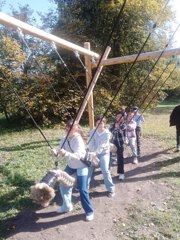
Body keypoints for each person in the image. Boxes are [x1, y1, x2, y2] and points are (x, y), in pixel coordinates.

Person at [51, 120, 94, 221]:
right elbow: (59, 154)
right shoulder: (64, 139)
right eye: (67, 128)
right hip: (71, 165)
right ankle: (67, 206)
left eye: (71, 128)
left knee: (82, 189)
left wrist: (65, 153)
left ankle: (89, 211)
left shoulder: (78, 140)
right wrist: (55, 152)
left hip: (81, 166)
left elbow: (78, 156)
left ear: (76, 129)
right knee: (62, 184)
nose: (68, 130)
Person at [87, 117, 115, 197]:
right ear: (96, 124)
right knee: (89, 169)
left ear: (104, 124)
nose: (99, 125)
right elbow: (91, 142)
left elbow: (103, 145)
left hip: (104, 153)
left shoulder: (107, 133)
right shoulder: (93, 131)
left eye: (101, 123)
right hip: (93, 153)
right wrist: (91, 151)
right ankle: (85, 188)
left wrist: (95, 153)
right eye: (98, 123)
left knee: (105, 170)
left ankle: (111, 189)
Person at [109, 112, 126, 180]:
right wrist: (114, 128)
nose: (118, 118)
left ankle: (121, 173)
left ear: (122, 118)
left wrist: (118, 127)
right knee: (108, 156)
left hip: (120, 143)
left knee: (120, 158)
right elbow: (109, 131)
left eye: (120, 117)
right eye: (117, 116)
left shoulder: (124, 124)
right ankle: (107, 169)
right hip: (112, 142)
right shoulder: (112, 124)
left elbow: (123, 132)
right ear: (116, 117)